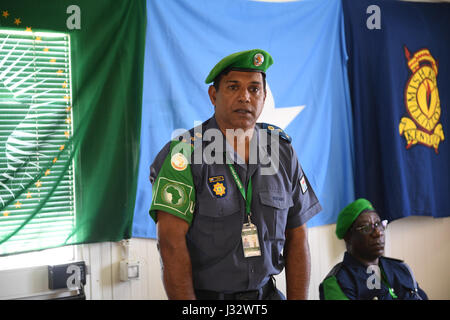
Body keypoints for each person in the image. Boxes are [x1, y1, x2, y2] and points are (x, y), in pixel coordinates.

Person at [149, 49, 322, 300]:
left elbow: (298, 236)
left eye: (254, 89)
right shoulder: (184, 154)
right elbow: (171, 245)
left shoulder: (283, 152)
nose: (245, 97)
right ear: (213, 95)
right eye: (233, 87)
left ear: (264, 96)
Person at [319, 198, 428, 300]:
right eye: (366, 228)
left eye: (378, 224)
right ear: (348, 237)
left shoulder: (400, 269)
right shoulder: (337, 283)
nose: (378, 232)